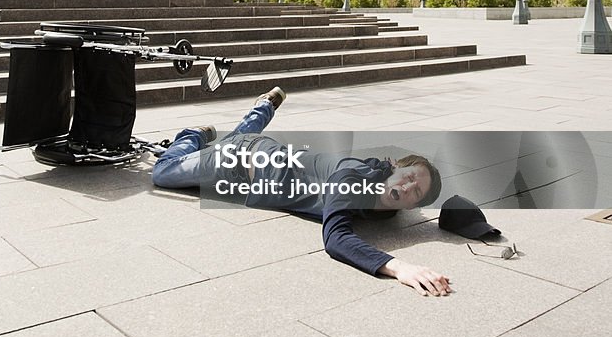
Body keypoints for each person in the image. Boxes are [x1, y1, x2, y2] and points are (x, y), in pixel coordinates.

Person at [152, 87, 451, 297]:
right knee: (163, 173)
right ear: (395, 167)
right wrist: (399, 268)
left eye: (417, 191)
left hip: (263, 151)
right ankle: (193, 135)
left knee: (240, 138)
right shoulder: (353, 177)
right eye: (410, 176)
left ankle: (263, 107)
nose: (408, 186)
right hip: (237, 164)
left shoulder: (387, 200)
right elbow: (336, 238)